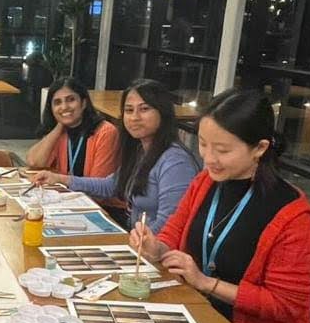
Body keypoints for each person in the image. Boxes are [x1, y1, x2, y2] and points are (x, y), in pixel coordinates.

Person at [130, 89, 310, 323]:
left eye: (223, 150)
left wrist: (206, 283)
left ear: (259, 148)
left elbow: (284, 306)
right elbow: (176, 229)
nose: (209, 158)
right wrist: (157, 247)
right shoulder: (206, 182)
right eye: (204, 145)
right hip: (195, 315)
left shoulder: (294, 217)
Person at [33, 79, 198, 232]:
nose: (134, 117)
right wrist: (61, 179)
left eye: (144, 109)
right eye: (129, 110)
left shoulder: (176, 162)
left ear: (163, 113)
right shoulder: (141, 150)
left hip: (151, 252)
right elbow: (111, 185)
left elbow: (170, 225)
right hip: (133, 237)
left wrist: (136, 245)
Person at [25, 76, 119, 177]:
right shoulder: (59, 132)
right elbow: (34, 162)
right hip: (64, 191)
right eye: (57, 102)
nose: (64, 107)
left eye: (71, 100)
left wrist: (64, 181)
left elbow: (99, 184)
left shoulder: (106, 132)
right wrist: (59, 126)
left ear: (83, 103)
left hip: (88, 192)